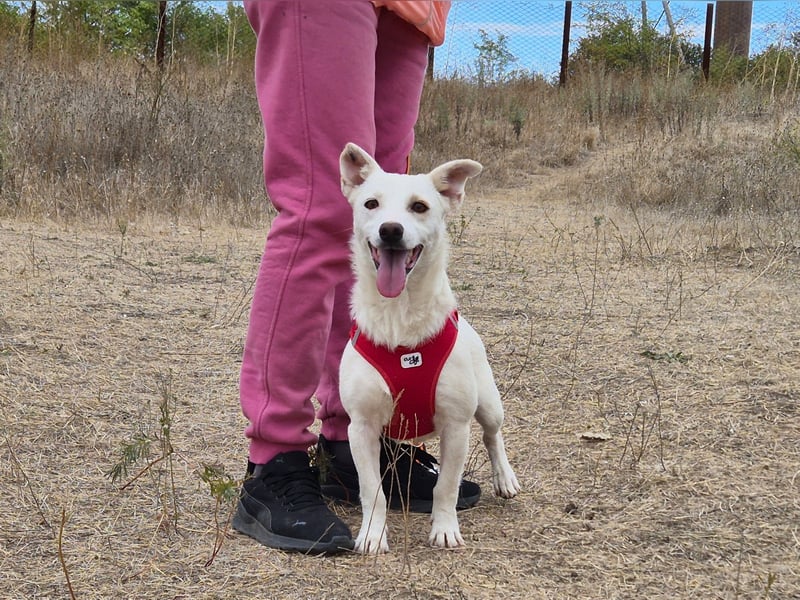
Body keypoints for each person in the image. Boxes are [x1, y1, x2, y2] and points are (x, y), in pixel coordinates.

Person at [232, 0, 480, 554]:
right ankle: (273, 458)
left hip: (415, 9)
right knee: (322, 208)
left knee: (384, 203)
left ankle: (350, 441)